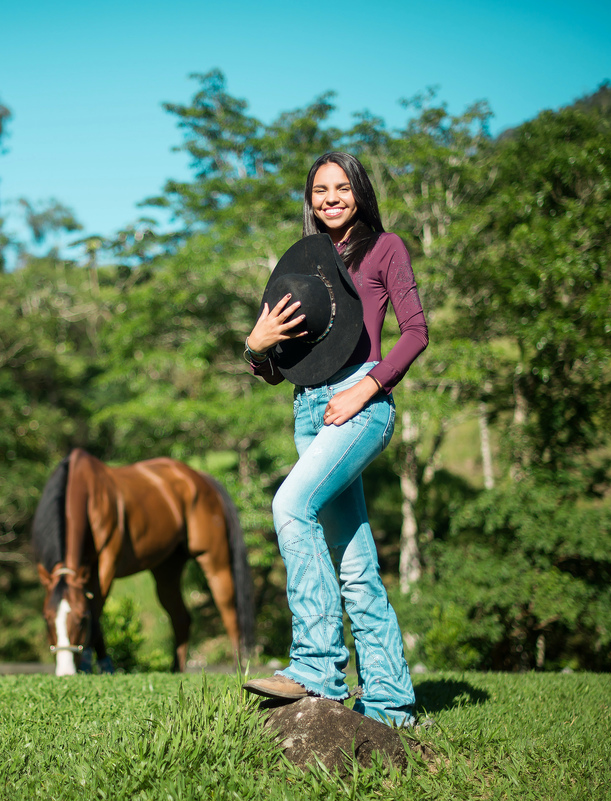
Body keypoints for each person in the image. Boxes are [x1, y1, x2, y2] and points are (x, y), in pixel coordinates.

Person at [241, 151, 428, 728]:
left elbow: (416, 333)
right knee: (355, 565)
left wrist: (365, 389)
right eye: (319, 190)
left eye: (341, 187)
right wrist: (256, 345)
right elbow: (286, 367)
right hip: (308, 411)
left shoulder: (385, 247)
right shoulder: (305, 265)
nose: (329, 199)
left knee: (289, 505)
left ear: (359, 191)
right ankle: (391, 702)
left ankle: (317, 665)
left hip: (359, 404)